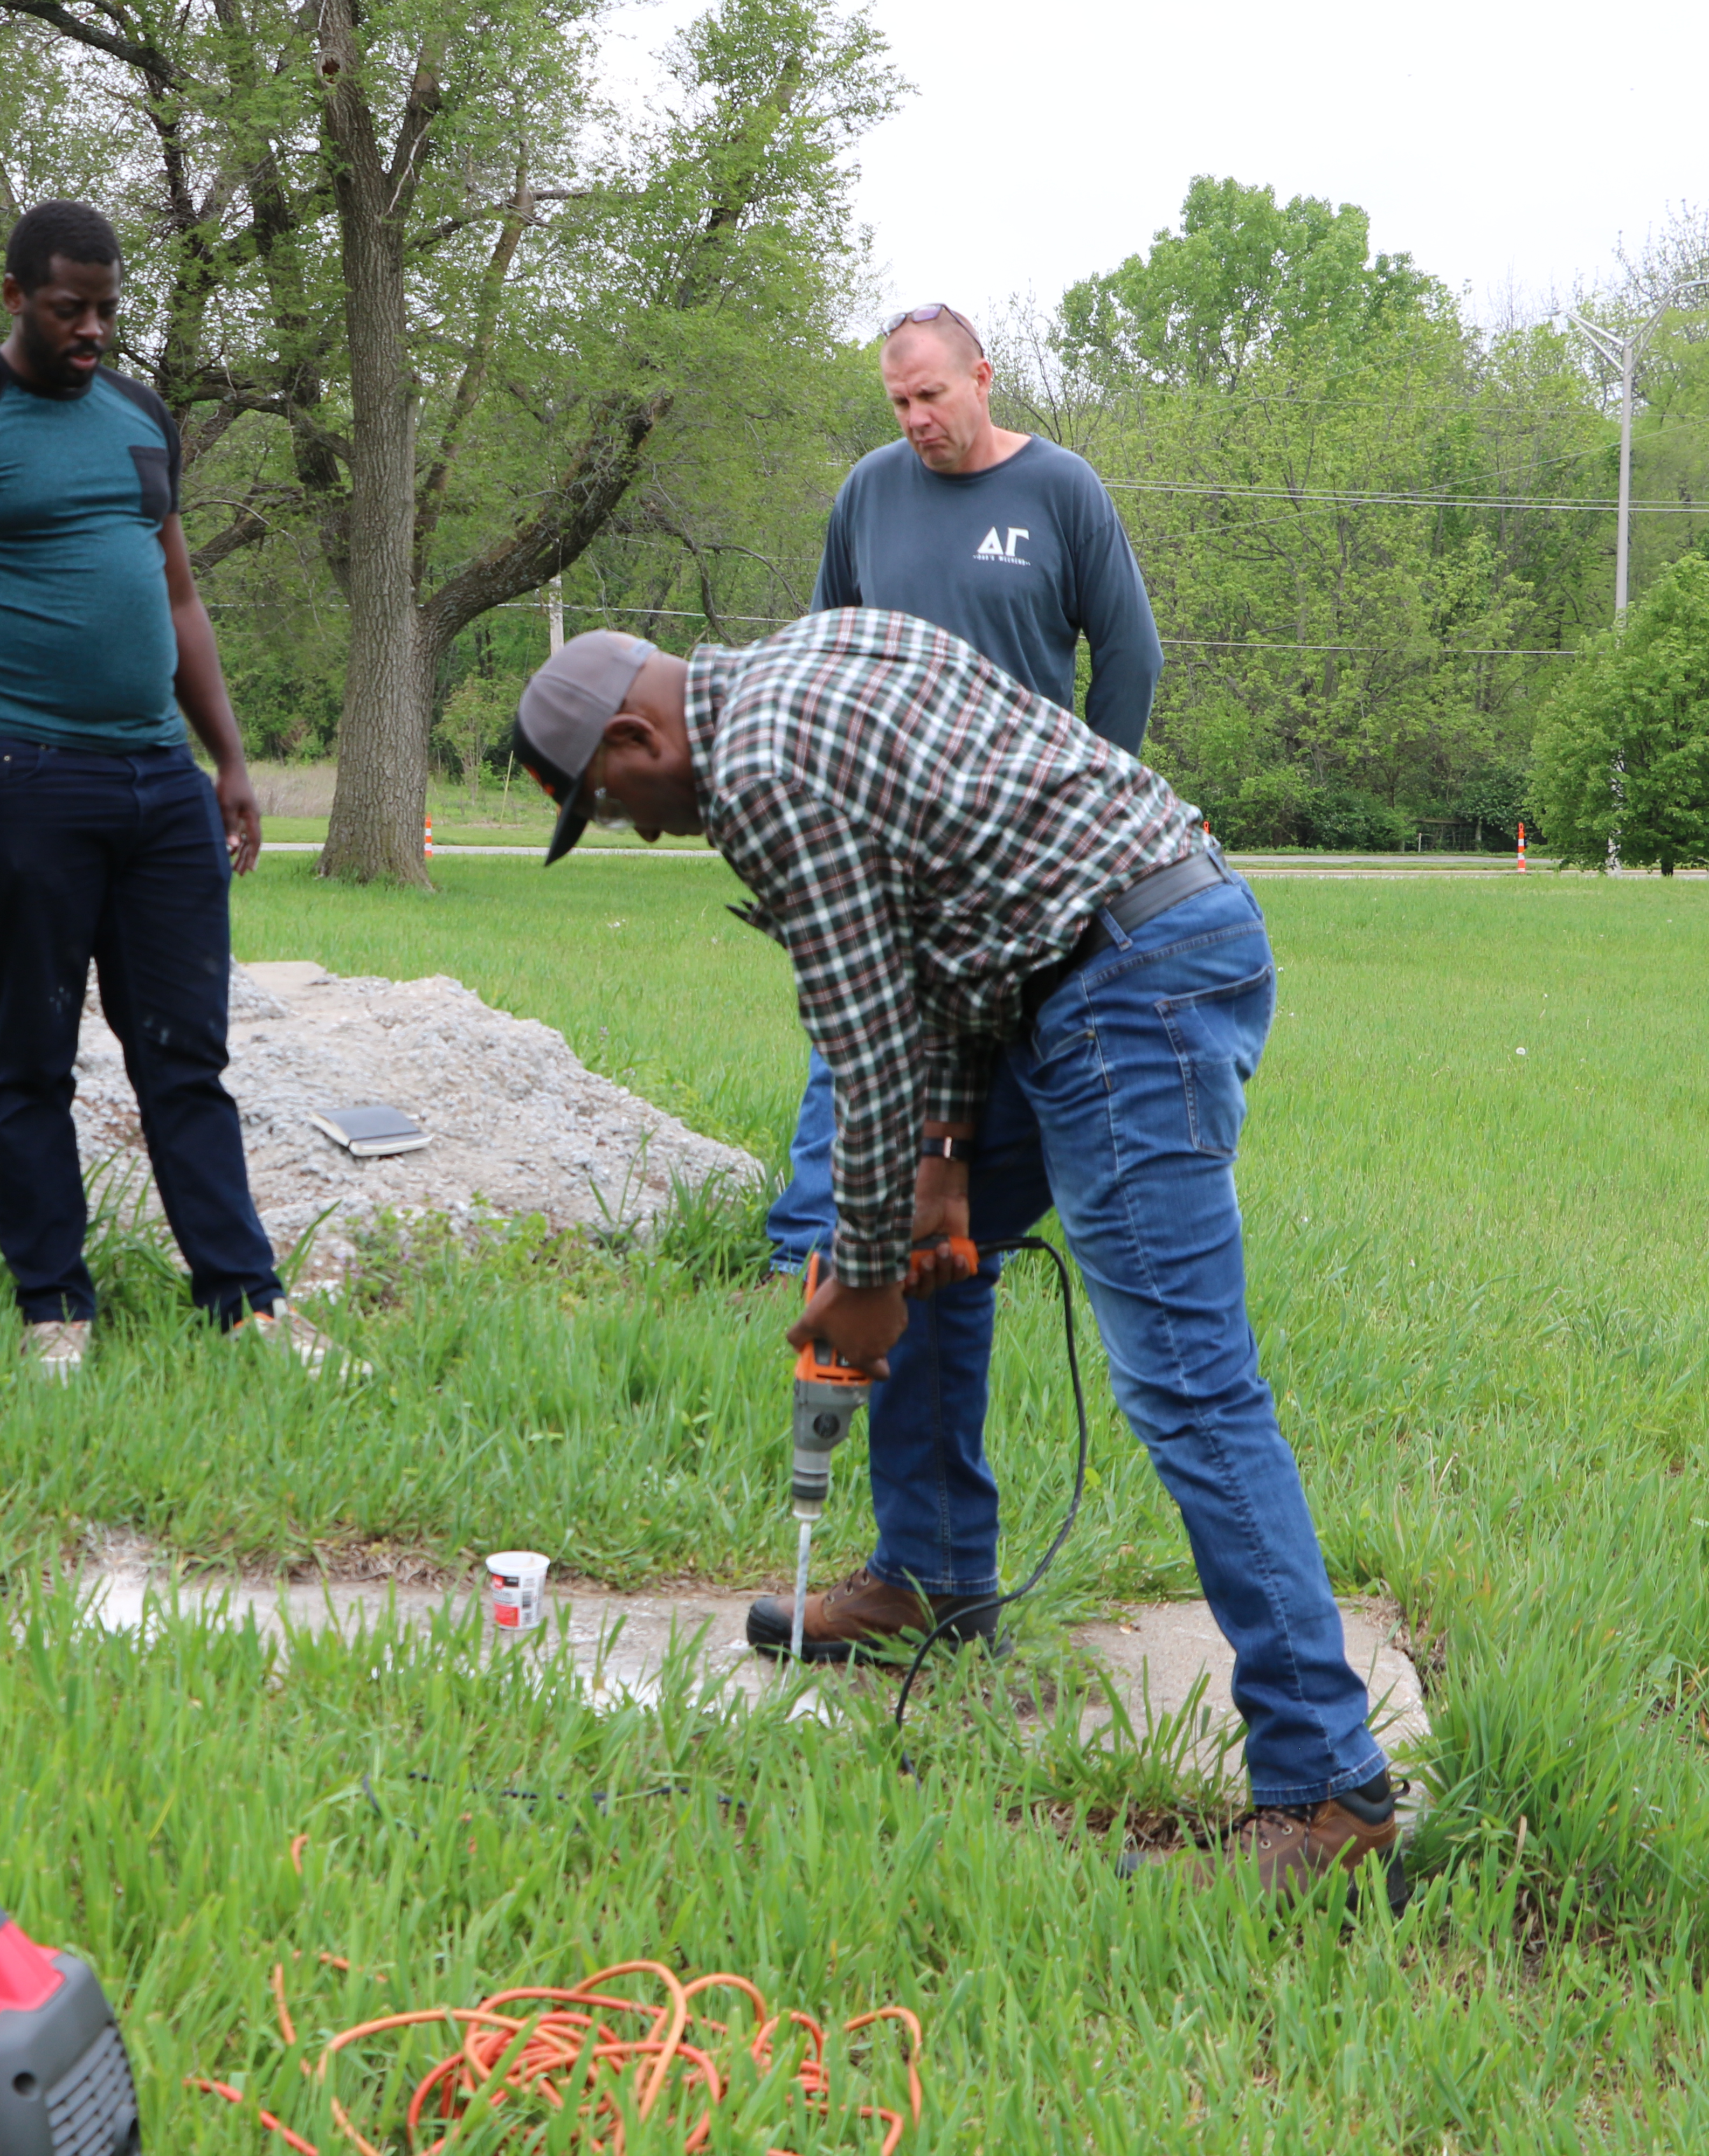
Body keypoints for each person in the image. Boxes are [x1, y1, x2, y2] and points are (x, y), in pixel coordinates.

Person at [506, 622, 1402, 1897]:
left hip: (1128, 982)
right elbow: (965, 922)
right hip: (1101, 950)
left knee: (1187, 1379)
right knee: (935, 1250)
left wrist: (860, 1276)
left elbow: (864, 1054)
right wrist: (940, 1167)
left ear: (636, 740)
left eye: (614, 803)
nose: (642, 829)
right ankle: (928, 1577)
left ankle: (1331, 1792)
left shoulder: (758, 774)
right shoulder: (815, 652)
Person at [0, 200, 351, 1380]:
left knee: (187, 1056)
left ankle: (244, 1300)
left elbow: (178, 594)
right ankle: (55, 1309)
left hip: (159, 782)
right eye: (66, 307)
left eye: (105, 309)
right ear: (13, 295)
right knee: (31, 1054)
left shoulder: (141, 415)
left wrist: (230, 759)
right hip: (17, 776)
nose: (90, 329)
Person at [767, 303, 1163, 1273]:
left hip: (1024, 837)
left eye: (931, 395)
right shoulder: (869, 492)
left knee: (1024, 1048)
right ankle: (803, 1253)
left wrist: (1090, 813)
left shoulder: (1061, 490)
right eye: (899, 402)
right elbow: (826, 650)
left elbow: (1131, 657)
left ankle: (982, 1238)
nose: (915, 418)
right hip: (887, 827)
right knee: (851, 1040)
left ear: (982, 378)